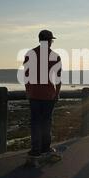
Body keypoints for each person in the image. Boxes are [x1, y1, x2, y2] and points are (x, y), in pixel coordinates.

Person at [23, 29, 62, 158]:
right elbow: (58, 78)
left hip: (34, 95)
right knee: (46, 122)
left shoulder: (30, 54)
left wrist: (28, 91)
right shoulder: (55, 57)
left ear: (39, 40)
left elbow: (26, 76)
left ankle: (35, 149)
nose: (51, 43)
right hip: (48, 95)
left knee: (35, 123)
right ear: (50, 41)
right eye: (51, 40)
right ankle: (45, 148)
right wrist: (57, 94)